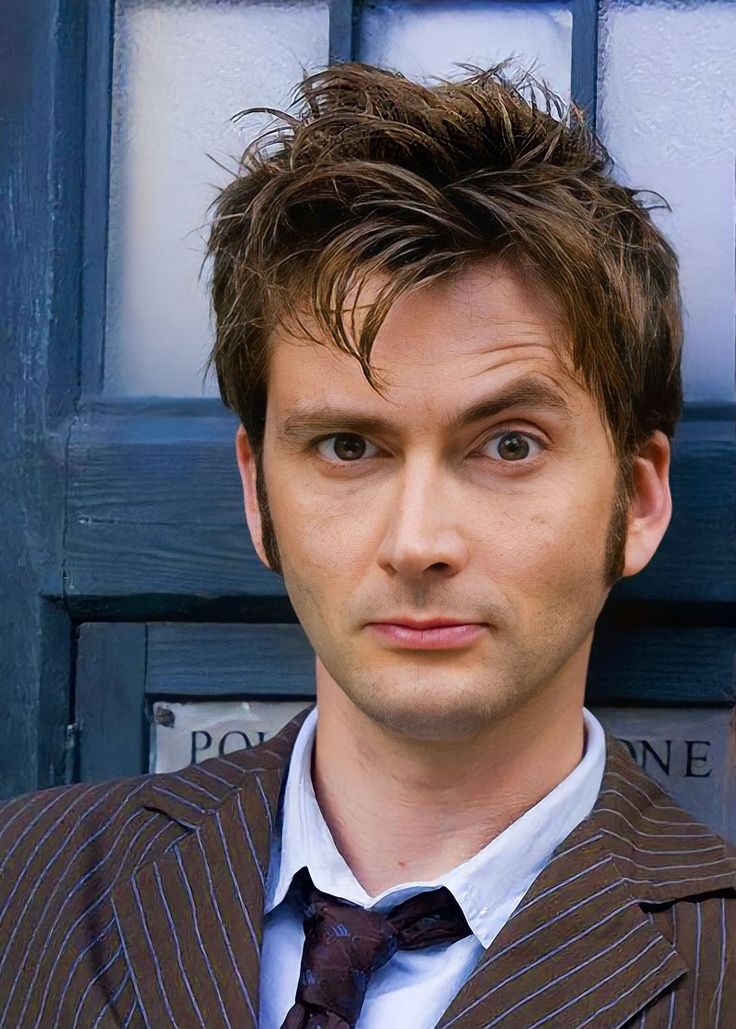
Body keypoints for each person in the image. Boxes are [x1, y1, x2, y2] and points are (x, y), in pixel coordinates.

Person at [0, 61, 734, 1028]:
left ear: (638, 502)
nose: (418, 542)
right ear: (259, 491)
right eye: (349, 446)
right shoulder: (27, 887)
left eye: (509, 445)